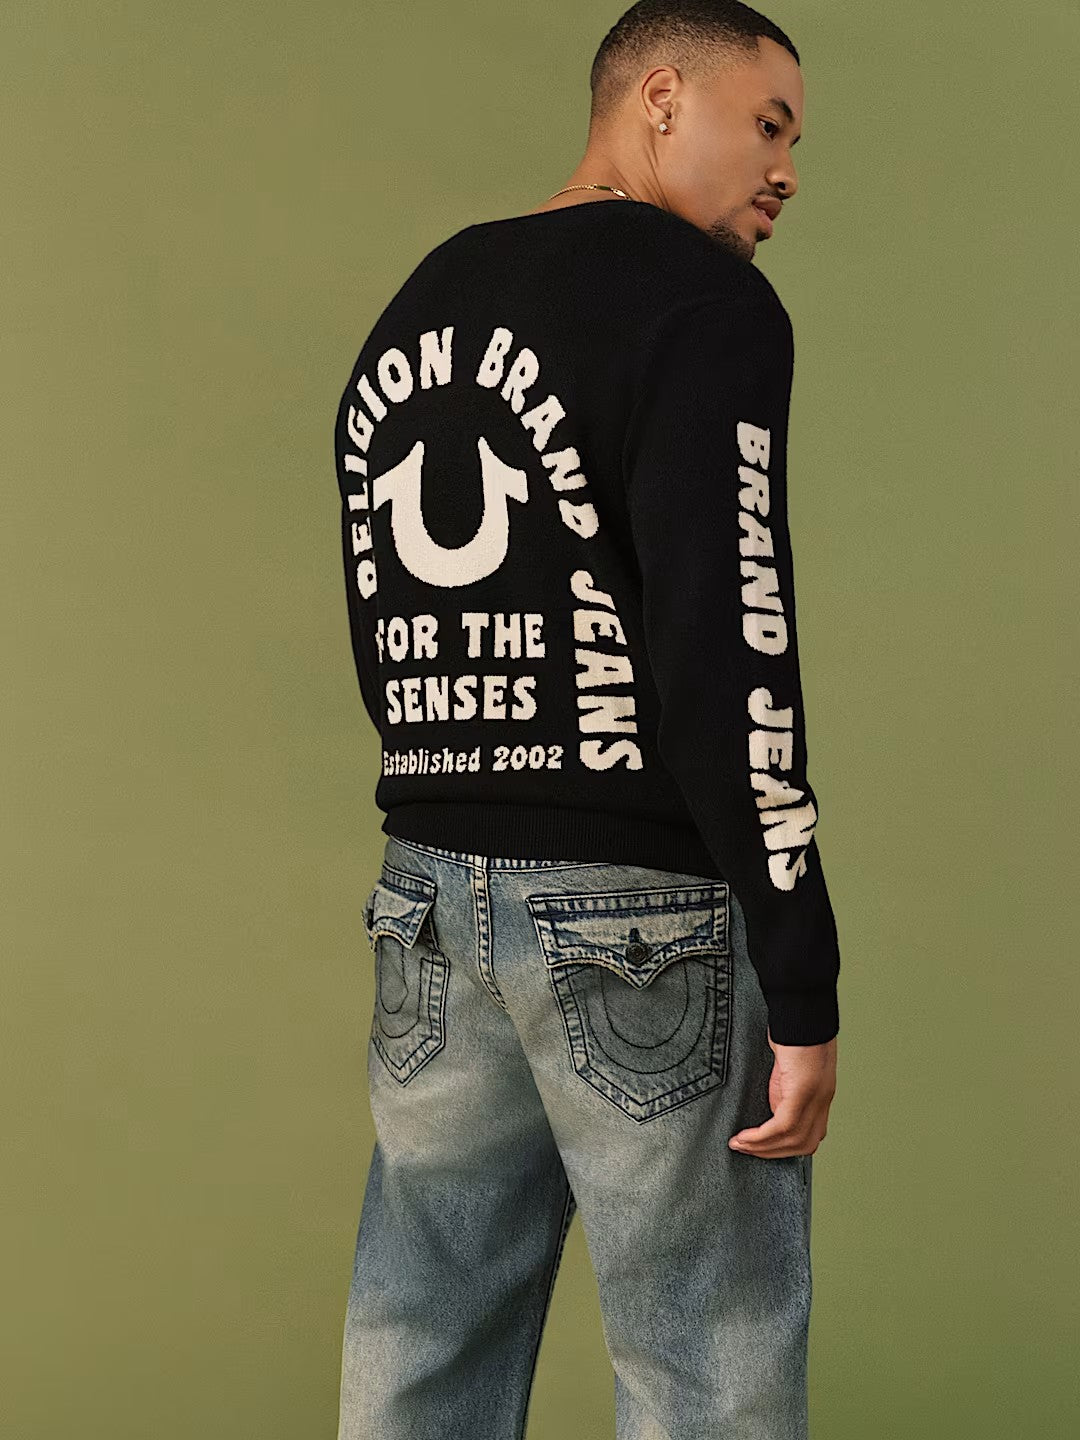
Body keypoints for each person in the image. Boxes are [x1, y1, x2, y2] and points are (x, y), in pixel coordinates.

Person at [332, 2, 841, 1435]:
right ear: (661, 97)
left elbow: (380, 600)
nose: (787, 170)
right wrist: (801, 970)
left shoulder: (429, 295)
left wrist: (448, 801)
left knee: (419, 1333)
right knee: (706, 1359)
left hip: (427, 895)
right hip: (639, 909)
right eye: (770, 124)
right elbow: (731, 641)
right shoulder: (704, 304)